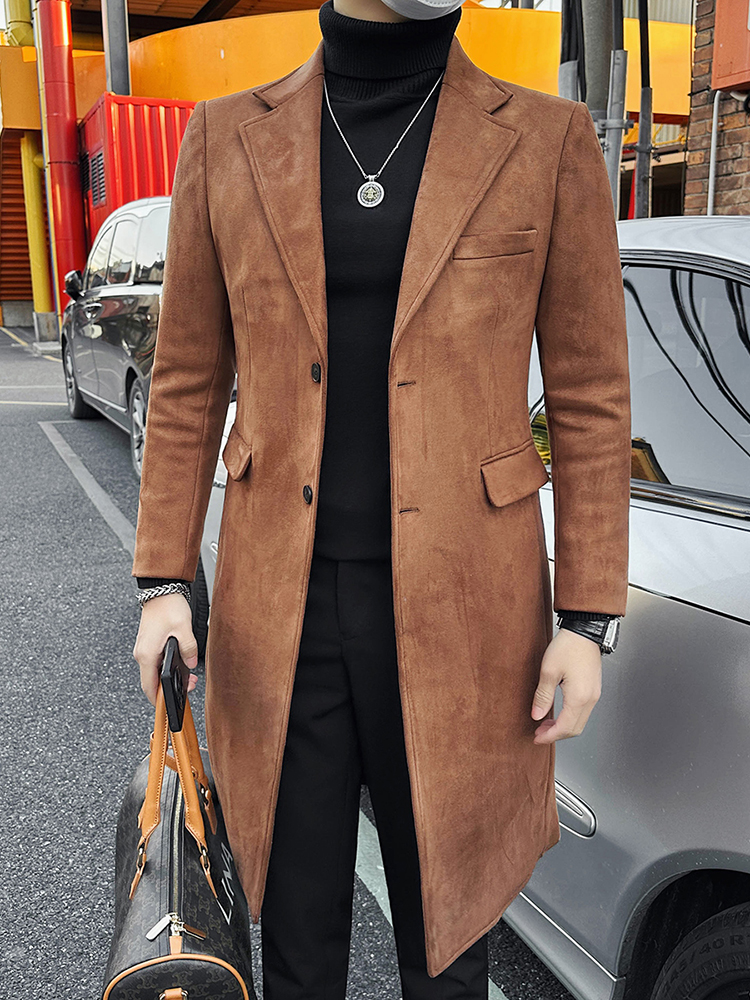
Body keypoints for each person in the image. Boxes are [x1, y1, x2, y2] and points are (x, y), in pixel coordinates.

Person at [131, 0, 631, 996]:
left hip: (469, 614)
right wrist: (162, 581)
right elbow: (186, 381)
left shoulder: (547, 140)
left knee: (450, 943)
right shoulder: (226, 138)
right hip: (284, 618)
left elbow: (589, 394)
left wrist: (587, 617)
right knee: (297, 942)